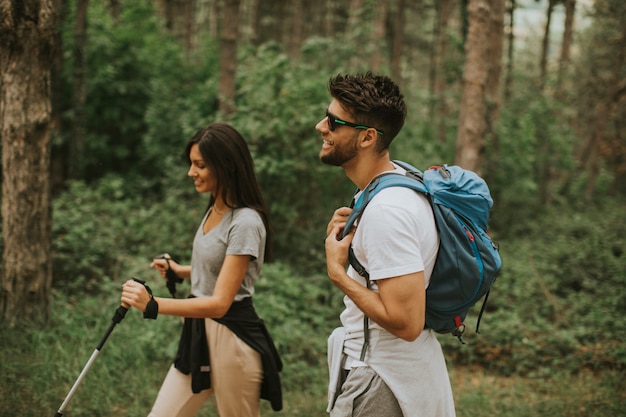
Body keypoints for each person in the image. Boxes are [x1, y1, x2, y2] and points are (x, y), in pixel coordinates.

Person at [316, 73, 456, 417]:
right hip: (394, 372)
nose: (321, 126)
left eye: (335, 122)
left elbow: (406, 322)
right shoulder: (399, 181)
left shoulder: (387, 210)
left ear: (366, 137)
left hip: (384, 380)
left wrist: (338, 273)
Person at [121, 123, 282, 417]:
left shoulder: (245, 222)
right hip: (198, 333)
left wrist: (153, 304)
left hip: (231, 338)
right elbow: (218, 269)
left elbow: (220, 303)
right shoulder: (215, 207)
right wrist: (178, 271)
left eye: (200, 165)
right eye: (191, 164)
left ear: (227, 166)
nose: (190, 172)